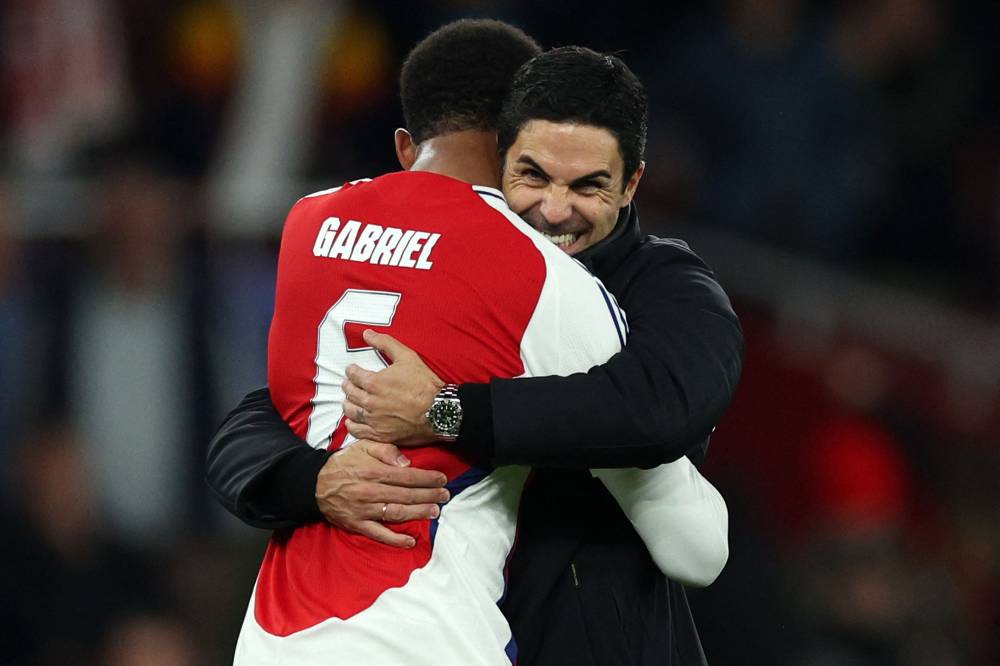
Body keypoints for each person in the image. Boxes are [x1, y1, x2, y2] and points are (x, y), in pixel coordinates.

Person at [224, 21, 728, 666]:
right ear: (517, 141)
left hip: (274, 637)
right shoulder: (543, 279)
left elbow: (265, 411)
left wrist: (331, 469)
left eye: (587, 185)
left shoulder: (307, 223)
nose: (553, 210)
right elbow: (696, 547)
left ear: (408, 145)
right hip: (430, 630)